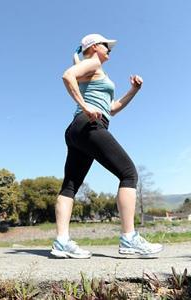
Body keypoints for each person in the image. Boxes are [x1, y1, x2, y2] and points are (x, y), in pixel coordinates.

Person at [51, 34, 163, 259]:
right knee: (128, 173)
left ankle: (62, 241)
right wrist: (84, 106)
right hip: (89, 125)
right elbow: (67, 75)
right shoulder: (93, 63)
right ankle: (129, 238)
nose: (110, 49)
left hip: (76, 130)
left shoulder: (93, 68)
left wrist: (133, 91)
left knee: (70, 185)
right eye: (106, 45)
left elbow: (111, 108)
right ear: (94, 47)